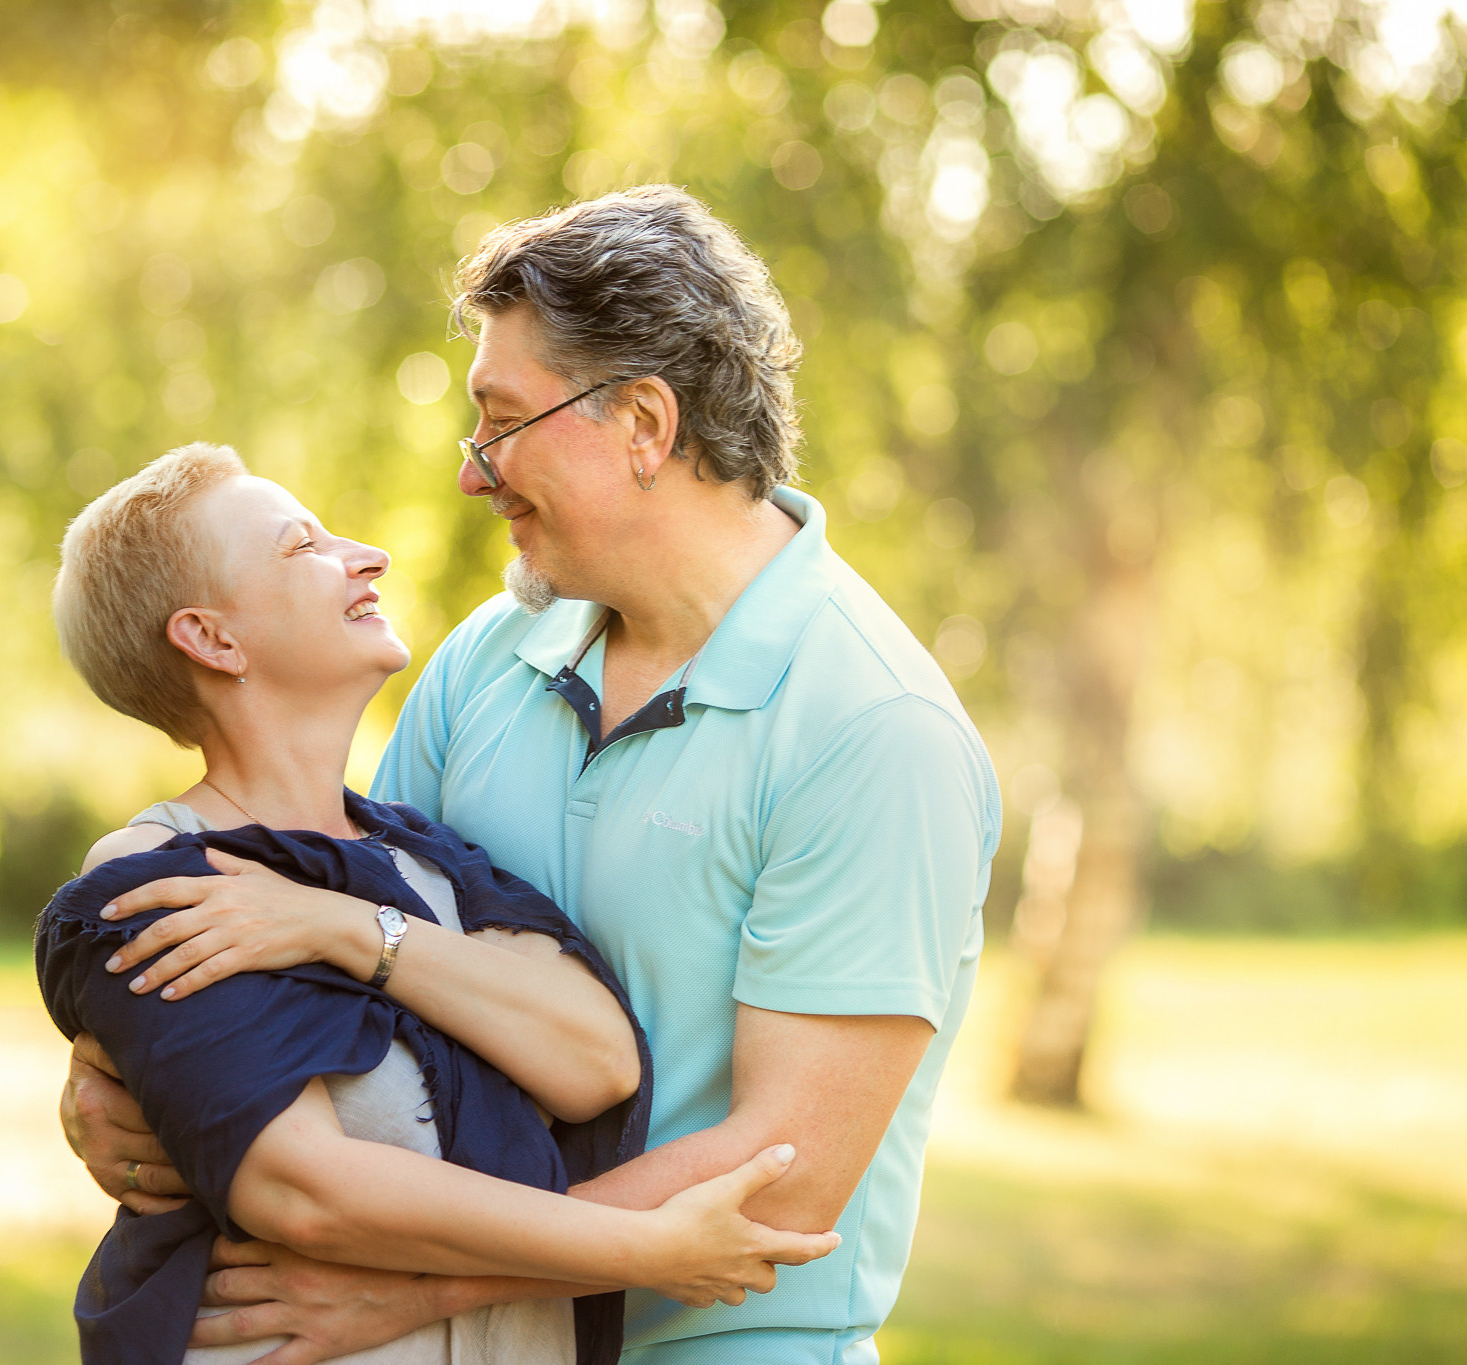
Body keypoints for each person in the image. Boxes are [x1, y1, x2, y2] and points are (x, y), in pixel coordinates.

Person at [65, 186, 1001, 1364]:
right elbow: (357, 944)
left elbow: (786, 1176)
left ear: (643, 424)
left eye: (501, 422)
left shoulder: (872, 730)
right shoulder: (488, 659)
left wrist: (420, 1290)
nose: (473, 474)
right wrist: (112, 1073)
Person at [38, 440, 841, 1365]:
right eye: (303, 545)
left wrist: (346, 928)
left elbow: (598, 1063)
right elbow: (302, 1190)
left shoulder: (427, 859)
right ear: (212, 639)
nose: (367, 555)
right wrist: (644, 1249)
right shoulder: (160, 879)